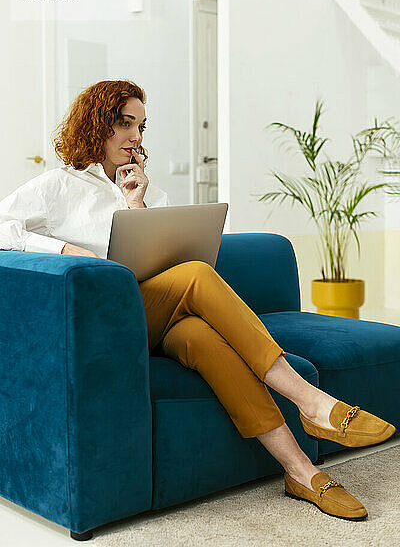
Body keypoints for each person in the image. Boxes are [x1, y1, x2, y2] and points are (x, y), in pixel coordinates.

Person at [0, 79, 396, 521]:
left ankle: (299, 470)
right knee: (195, 275)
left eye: (142, 127)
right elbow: (2, 225)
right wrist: (66, 251)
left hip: (160, 317)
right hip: (110, 325)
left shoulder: (147, 193)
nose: (135, 137)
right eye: (124, 123)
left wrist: (135, 203)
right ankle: (311, 401)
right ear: (97, 125)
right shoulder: (60, 185)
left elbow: (156, 258)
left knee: (204, 338)